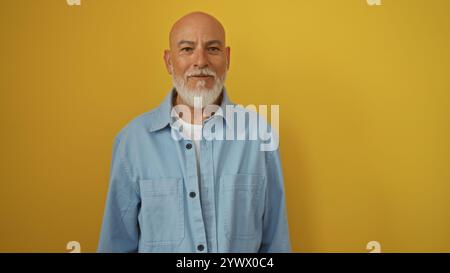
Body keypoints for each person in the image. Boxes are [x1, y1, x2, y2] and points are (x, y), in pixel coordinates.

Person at [97, 11, 291, 253]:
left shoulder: (260, 135)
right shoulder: (133, 141)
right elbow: (116, 243)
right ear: (169, 61)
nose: (200, 61)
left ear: (227, 58)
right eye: (187, 49)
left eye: (213, 49)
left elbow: (276, 243)